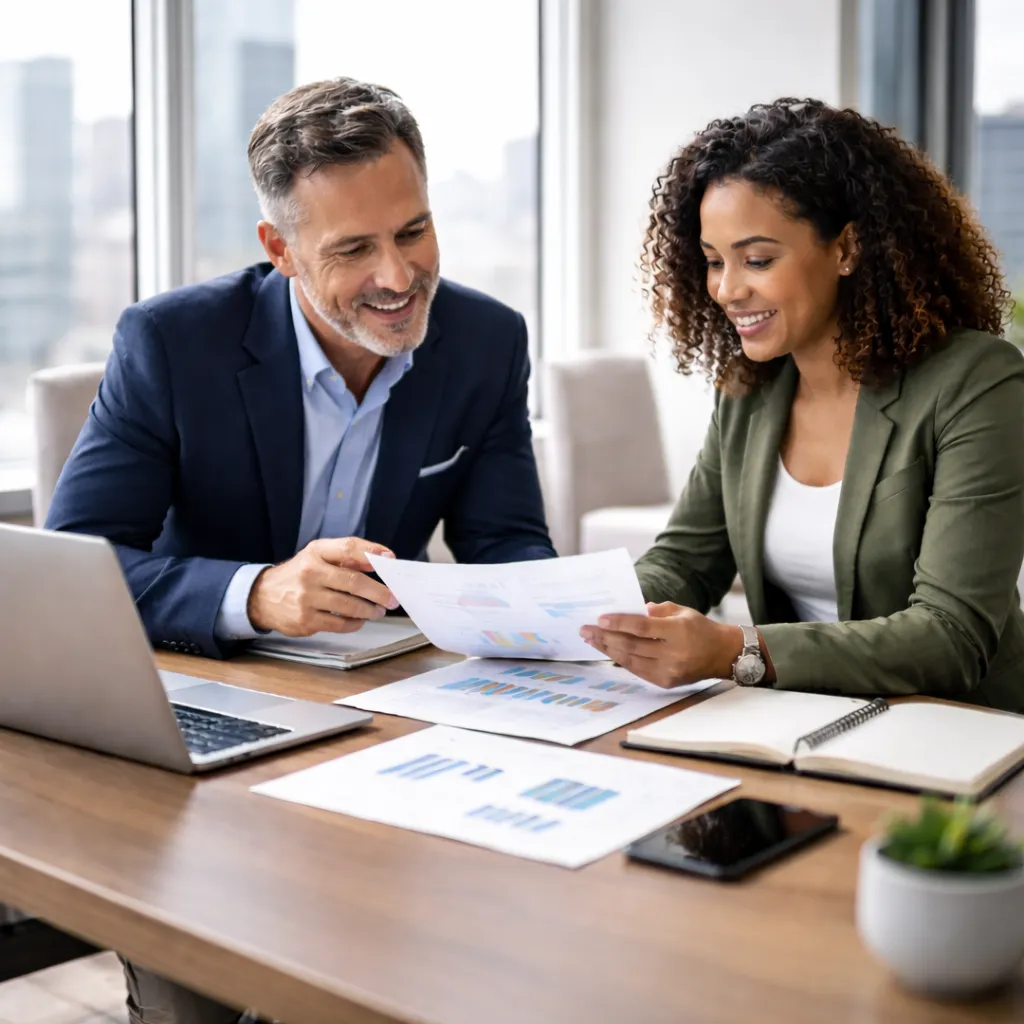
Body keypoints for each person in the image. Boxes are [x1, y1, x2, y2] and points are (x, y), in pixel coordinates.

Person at [48, 77, 554, 1023]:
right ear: (279, 250)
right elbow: (79, 564)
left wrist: (558, 611)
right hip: (205, 724)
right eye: (353, 250)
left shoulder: (486, 341)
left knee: (430, 960)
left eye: (413, 231)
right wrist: (258, 594)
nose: (398, 277)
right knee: (202, 994)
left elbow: (506, 541)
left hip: (382, 722)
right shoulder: (172, 343)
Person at [581, 97, 1024, 714]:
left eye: (757, 259)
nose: (728, 290)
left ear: (847, 248)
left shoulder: (976, 382)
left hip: (957, 738)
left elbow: (951, 637)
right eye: (713, 261)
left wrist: (737, 650)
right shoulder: (749, 390)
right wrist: (582, 615)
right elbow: (686, 560)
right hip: (799, 723)